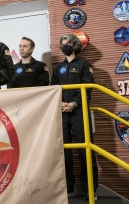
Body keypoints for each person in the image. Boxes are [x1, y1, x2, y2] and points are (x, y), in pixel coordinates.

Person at [50, 33, 99, 200]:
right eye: (63, 43)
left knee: (85, 150)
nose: (65, 45)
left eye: (68, 43)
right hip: (61, 112)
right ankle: (68, 188)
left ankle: (90, 190)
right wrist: (61, 103)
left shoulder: (84, 64)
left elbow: (88, 86)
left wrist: (74, 104)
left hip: (79, 111)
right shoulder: (57, 68)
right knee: (64, 152)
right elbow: (53, 88)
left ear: (75, 45)